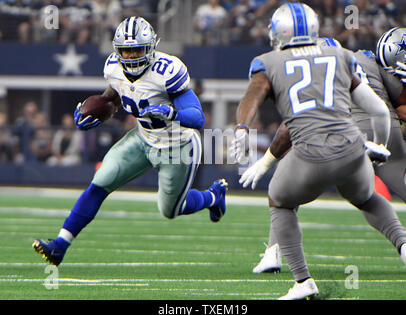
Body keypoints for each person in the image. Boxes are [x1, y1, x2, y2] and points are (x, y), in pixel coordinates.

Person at [231, 2, 406, 299]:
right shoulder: (342, 56)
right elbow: (378, 108)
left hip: (312, 149)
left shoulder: (270, 62)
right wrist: (378, 144)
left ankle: (301, 280)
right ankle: (403, 244)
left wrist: (244, 131)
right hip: (354, 146)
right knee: (366, 198)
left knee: (280, 199)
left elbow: (257, 100)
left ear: (280, 32)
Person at [33, 16, 228, 266]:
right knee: (100, 182)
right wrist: (95, 113)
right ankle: (60, 245)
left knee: (170, 209)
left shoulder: (168, 71)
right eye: (126, 50)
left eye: (137, 49)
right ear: (117, 50)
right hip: (142, 137)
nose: (132, 55)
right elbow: (113, 98)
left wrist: (172, 113)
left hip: (177, 146)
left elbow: (198, 117)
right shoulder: (114, 67)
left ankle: (212, 197)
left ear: (151, 47)